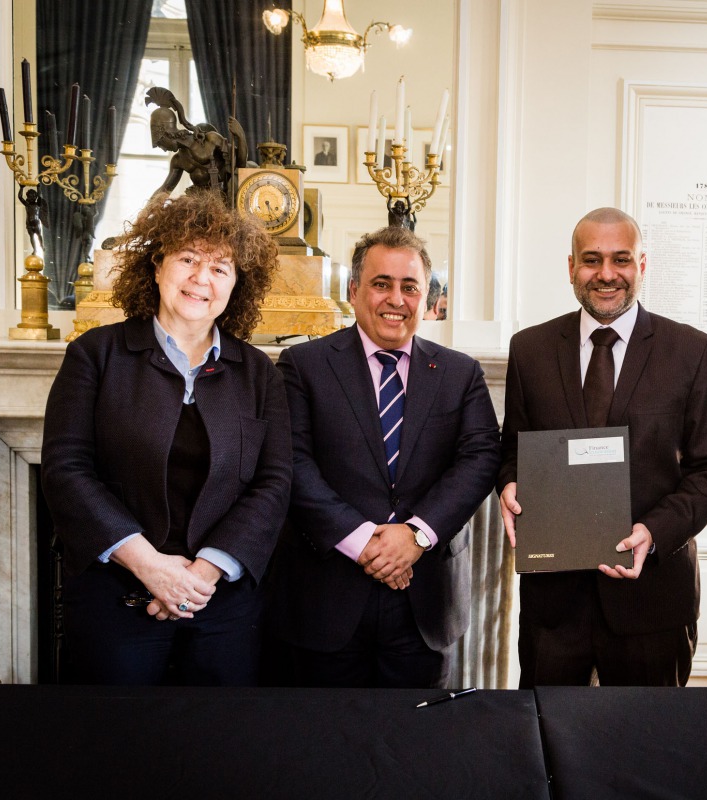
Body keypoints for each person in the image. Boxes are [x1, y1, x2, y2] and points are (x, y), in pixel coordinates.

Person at [41, 190, 291, 685]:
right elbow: (66, 470)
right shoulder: (96, 355)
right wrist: (150, 566)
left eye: (221, 268)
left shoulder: (259, 373)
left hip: (221, 599)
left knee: (218, 743)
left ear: (236, 285)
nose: (202, 278)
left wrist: (201, 575)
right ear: (157, 268)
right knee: (117, 742)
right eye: (188, 259)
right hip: (116, 590)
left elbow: (274, 481)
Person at [498, 207, 707, 687]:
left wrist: (655, 531)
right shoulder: (530, 350)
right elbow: (512, 450)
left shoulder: (692, 352)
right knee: (546, 740)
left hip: (652, 597)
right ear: (571, 268)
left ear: (641, 266)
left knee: (647, 749)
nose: (606, 274)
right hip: (553, 601)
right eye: (591, 260)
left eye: (621, 259)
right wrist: (507, 483)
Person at [270, 226, 500, 688]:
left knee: (417, 746)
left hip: (425, 598)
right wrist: (365, 543)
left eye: (409, 287)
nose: (396, 299)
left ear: (427, 299)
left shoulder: (460, 373)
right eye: (381, 284)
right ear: (354, 291)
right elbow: (291, 461)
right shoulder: (304, 365)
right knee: (325, 745)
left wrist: (415, 536)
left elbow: (479, 460)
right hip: (327, 593)